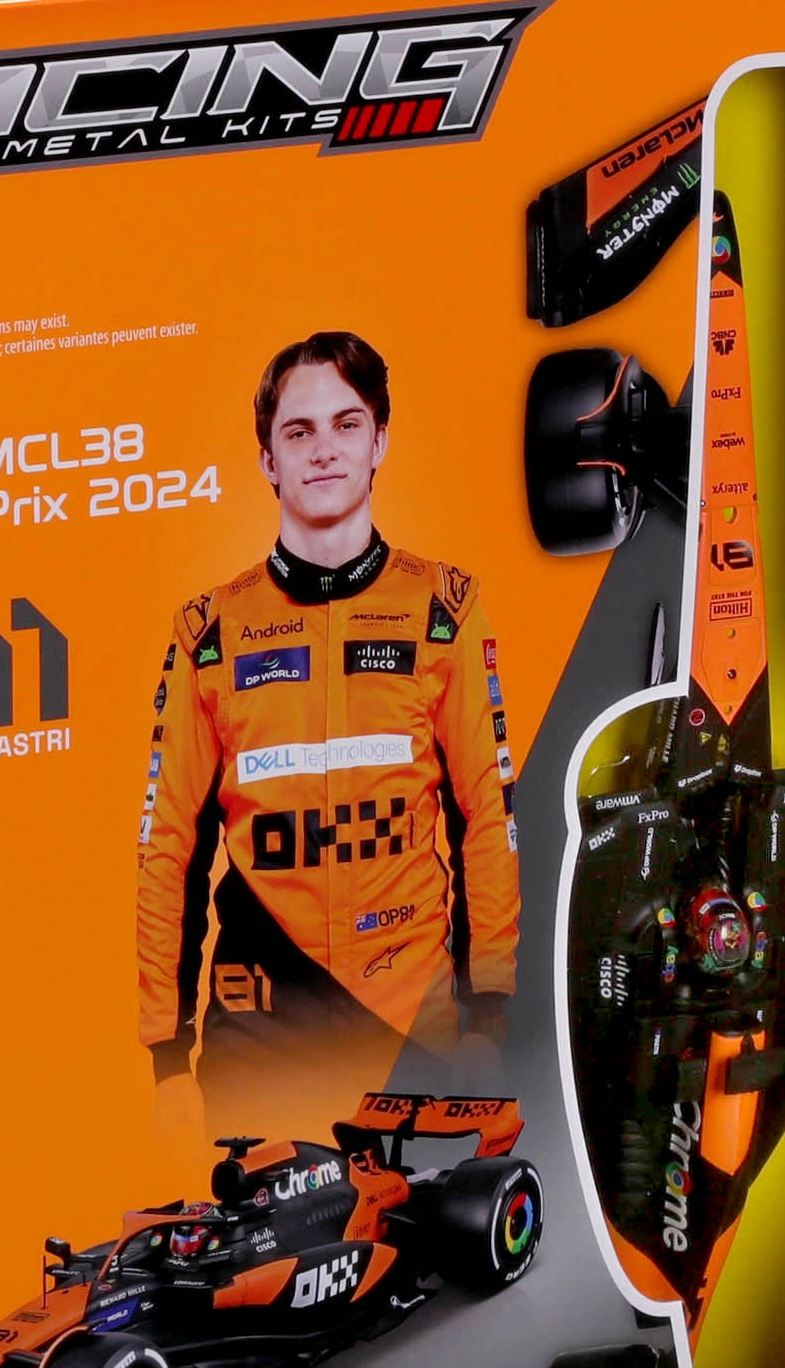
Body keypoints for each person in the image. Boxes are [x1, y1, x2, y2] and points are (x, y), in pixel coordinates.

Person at [137, 331, 519, 1137]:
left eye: (347, 425)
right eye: (298, 431)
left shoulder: (443, 611)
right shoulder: (209, 633)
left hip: (412, 1026)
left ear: (379, 441)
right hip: (261, 1031)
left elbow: (487, 814)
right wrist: (167, 1055)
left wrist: (487, 1015)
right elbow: (169, 845)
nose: (323, 450)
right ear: (268, 460)